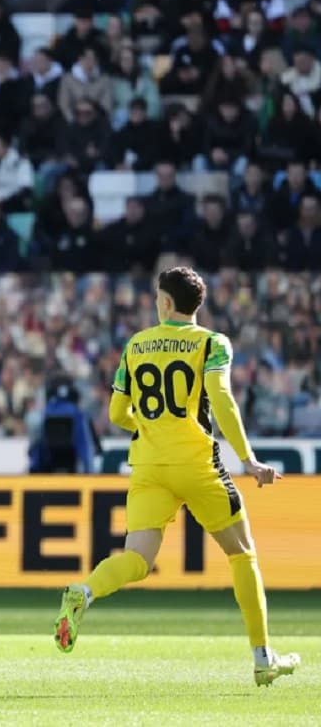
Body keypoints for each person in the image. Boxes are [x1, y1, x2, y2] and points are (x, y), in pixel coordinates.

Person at [53, 266, 300, 687]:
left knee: (136, 559)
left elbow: (116, 414)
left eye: (155, 296)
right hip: (196, 465)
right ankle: (262, 656)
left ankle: (86, 590)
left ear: (166, 302)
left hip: (148, 466)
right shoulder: (212, 344)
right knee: (242, 554)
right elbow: (220, 397)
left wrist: (151, 427)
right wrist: (249, 458)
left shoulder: (136, 344)